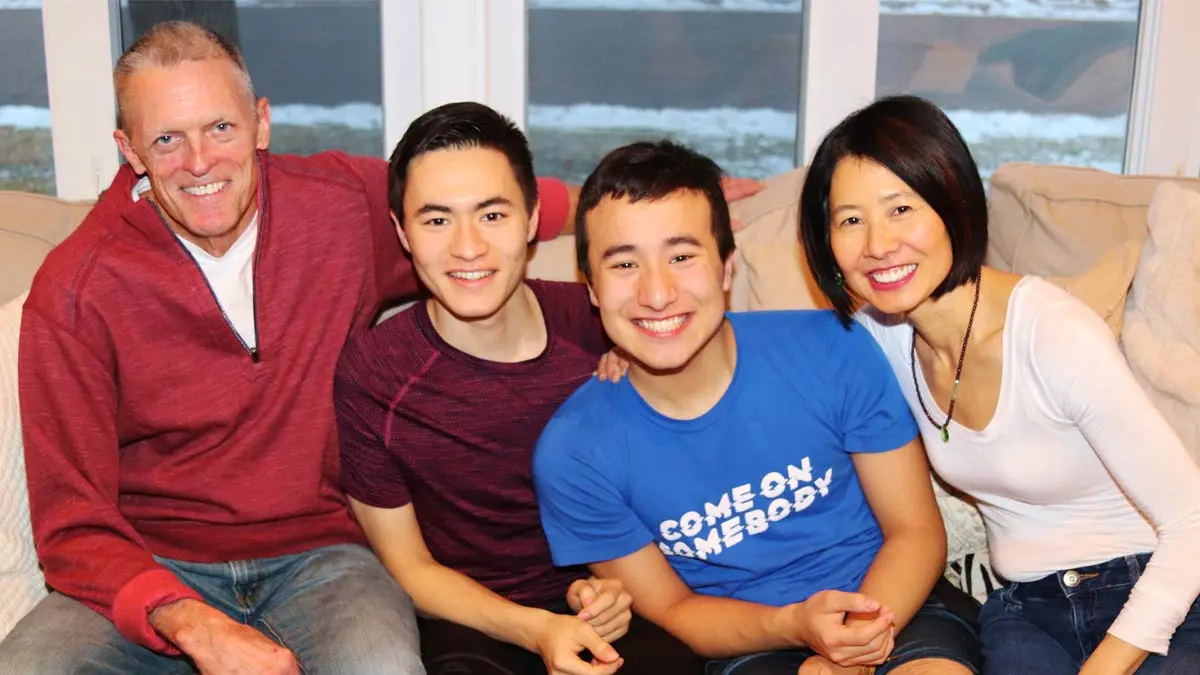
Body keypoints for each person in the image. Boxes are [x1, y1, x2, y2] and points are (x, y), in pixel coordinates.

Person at [0, 21, 577, 675]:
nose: (199, 161)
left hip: (325, 555)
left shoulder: (341, 207)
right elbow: (71, 519)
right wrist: (190, 620)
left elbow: (473, 204)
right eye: (167, 138)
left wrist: (646, 208)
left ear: (261, 123)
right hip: (151, 564)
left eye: (221, 128)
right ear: (129, 149)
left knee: (382, 666)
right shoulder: (76, 288)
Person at [532, 140, 982, 675]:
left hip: (893, 601)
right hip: (749, 639)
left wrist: (850, 651)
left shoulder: (829, 347)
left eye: (681, 256)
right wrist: (793, 625)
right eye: (625, 263)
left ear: (725, 269)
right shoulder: (574, 453)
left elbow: (914, 530)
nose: (657, 293)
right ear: (592, 287)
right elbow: (675, 610)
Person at [797, 94, 1200, 675]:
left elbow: (1190, 524)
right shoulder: (881, 335)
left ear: (952, 204)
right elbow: (761, 358)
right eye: (851, 220)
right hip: (1025, 611)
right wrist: (628, 360)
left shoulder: (1051, 333)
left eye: (901, 209)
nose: (878, 245)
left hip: (1152, 589)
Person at [334, 101, 705, 675]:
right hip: (473, 624)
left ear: (532, 219)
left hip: (614, 598)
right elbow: (409, 568)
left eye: (492, 215)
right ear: (401, 232)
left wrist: (608, 589)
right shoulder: (376, 373)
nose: (467, 247)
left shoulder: (606, 320)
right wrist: (536, 628)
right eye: (436, 220)